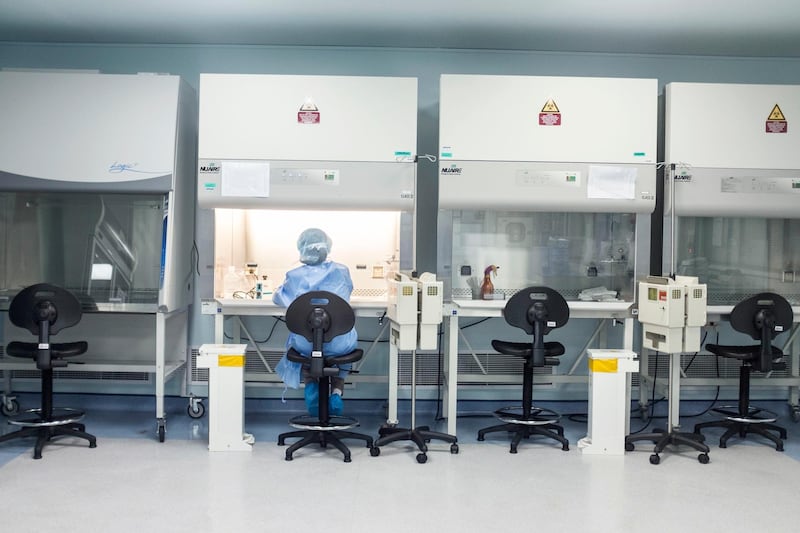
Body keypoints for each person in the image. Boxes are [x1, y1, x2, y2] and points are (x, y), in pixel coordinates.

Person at [273, 228, 357, 417]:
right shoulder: (342, 271)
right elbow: (347, 294)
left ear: (301, 249)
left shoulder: (294, 275)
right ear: (326, 247)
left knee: (306, 352)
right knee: (343, 349)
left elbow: (280, 298)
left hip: (306, 344)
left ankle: (311, 385)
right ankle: (336, 391)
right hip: (339, 343)